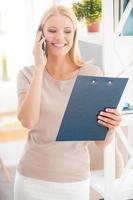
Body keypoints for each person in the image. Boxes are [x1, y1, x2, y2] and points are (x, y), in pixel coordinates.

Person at [14, 5, 121, 200]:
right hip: (31, 179)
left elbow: (100, 143)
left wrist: (110, 127)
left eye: (67, 31)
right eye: (52, 30)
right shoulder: (27, 75)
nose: (60, 38)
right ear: (41, 36)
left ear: (74, 35)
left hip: (74, 182)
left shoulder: (92, 75)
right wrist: (40, 69)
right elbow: (28, 121)